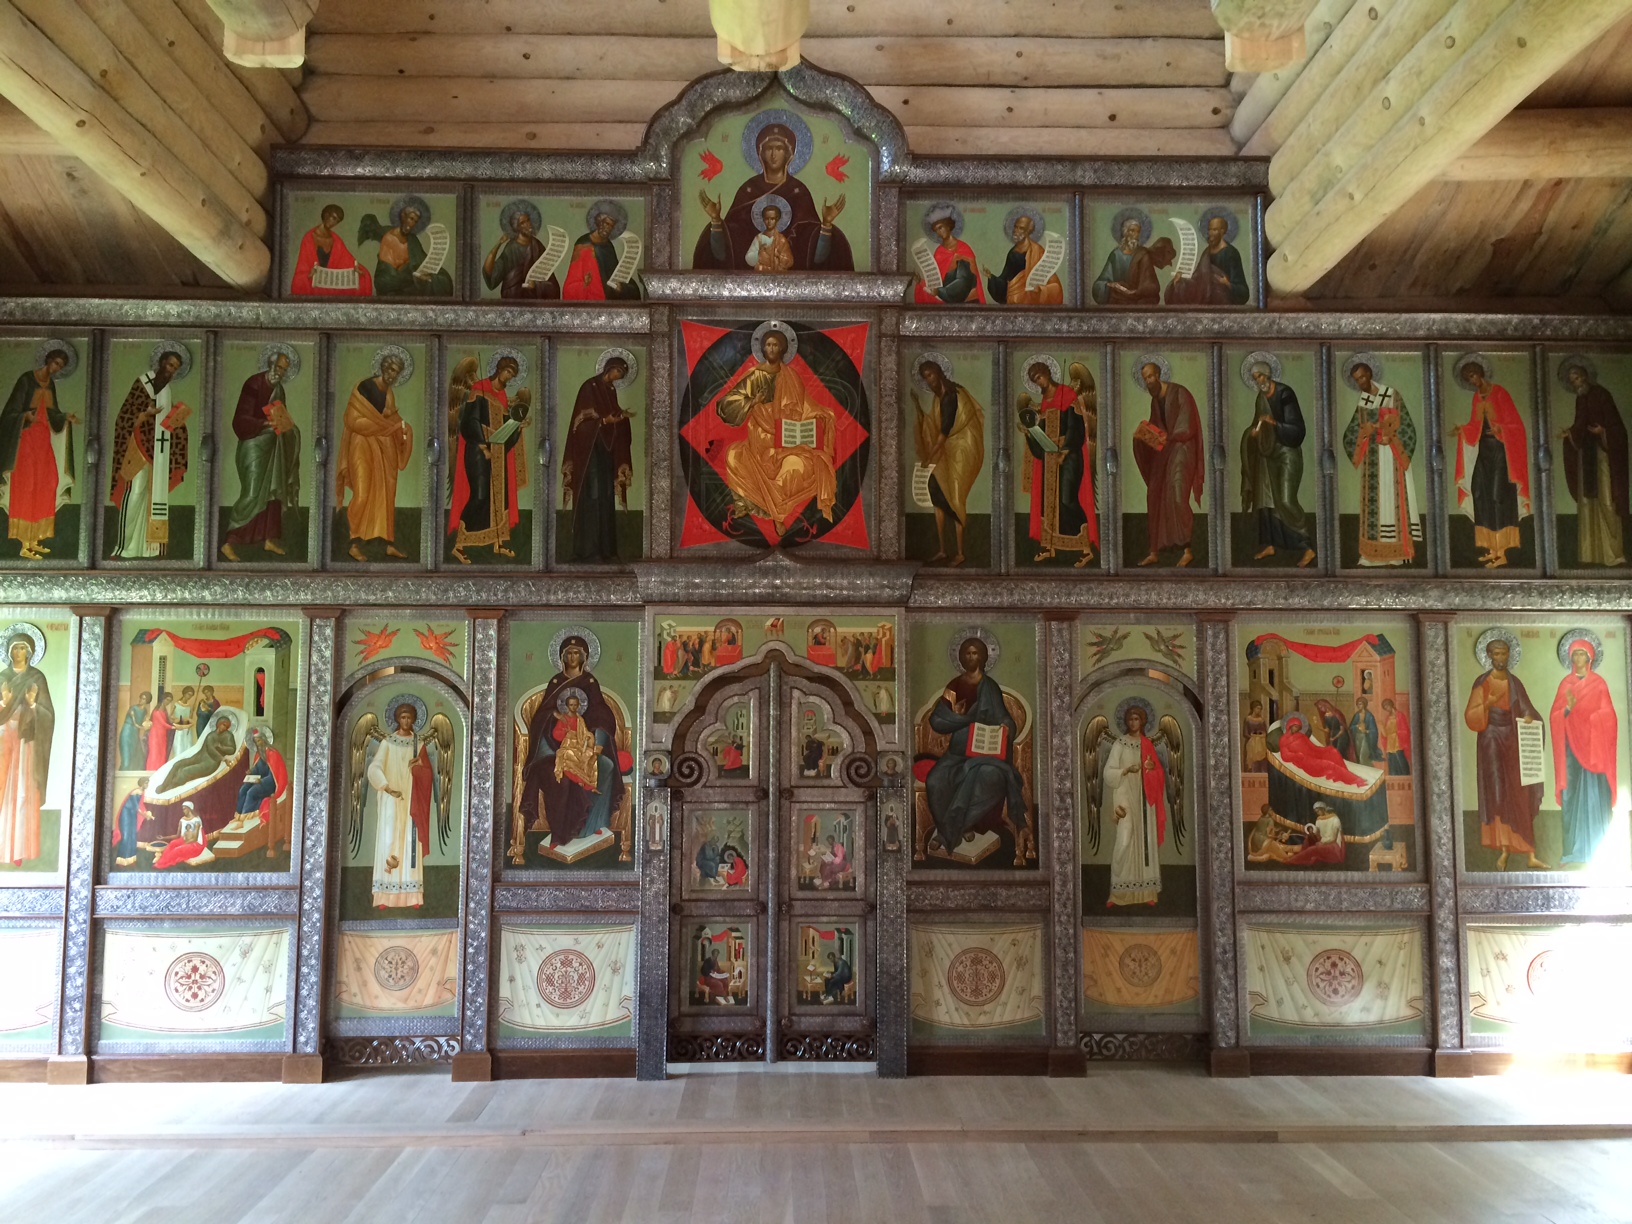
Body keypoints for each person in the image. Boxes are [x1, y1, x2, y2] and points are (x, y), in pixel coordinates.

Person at [922, 637, 1030, 858]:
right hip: (957, 753)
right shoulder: (954, 686)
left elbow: (1005, 718)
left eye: (976, 653)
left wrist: (1006, 727)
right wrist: (961, 719)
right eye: (967, 653)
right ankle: (957, 829)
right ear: (961, 657)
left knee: (988, 778)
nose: (971, 657)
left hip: (986, 752)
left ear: (983, 657)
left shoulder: (990, 687)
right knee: (935, 780)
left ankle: (950, 831)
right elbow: (938, 720)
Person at [715, 328, 837, 523]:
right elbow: (726, 404)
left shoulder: (792, 377)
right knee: (733, 456)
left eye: (775, 345)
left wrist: (822, 416)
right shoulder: (755, 376)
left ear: (783, 349)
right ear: (763, 348)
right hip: (759, 440)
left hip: (787, 440)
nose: (771, 349)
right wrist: (753, 402)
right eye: (768, 345)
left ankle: (778, 511)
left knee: (794, 467)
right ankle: (754, 506)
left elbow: (805, 406)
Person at [694, 119, 851, 271]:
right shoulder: (749, 190)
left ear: (789, 153)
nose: (774, 154)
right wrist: (715, 220)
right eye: (769, 148)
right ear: (760, 153)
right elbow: (727, 250)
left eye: (779, 148)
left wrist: (826, 224)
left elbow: (814, 254)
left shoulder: (799, 191)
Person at [519, 634, 626, 849]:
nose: (573, 656)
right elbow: (541, 717)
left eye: (577, 653)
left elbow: (602, 715)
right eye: (569, 652)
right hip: (552, 749)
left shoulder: (590, 682)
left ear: (585, 657)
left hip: (583, 747)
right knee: (562, 780)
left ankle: (591, 824)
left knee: (606, 766)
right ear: (562, 656)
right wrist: (554, 717)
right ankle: (563, 832)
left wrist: (596, 743)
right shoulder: (556, 683)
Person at [1464, 635, 1548, 870]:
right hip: (1490, 738)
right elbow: (1471, 717)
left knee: (1522, 793)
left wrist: (1529, 716)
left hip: (1514, 740)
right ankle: (1503, 852)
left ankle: (1530, 854)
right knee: (1497, 792)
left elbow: (1526, 708)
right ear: (1489, 655)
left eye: (1504, 653)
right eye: (1497, 653)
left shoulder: (1515, 683)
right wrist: (1488, 703)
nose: (1501, 657)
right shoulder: (1482, 682)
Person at [109, 348, 190, 559]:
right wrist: (145, 415)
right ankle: (124, 545)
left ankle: (147, 547)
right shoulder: (142, 383)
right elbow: (124, 418)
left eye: (175, 368)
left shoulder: (166, 391)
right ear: (162, 362)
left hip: (158, 451)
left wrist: (178, 422)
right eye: (170, 365)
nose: (171, 370)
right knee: (135, 493)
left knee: (151, 494)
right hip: (137, 449)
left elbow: (167, 422)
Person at [221, 348, 301, 562]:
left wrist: (289, 428)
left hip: (274, 446)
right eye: (279, 368)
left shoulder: (279, 390)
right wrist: (265, 423)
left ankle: (269, 538)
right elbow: (240, 420)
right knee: (252, 492)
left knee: (273, 493)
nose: (281, 373)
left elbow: (282, 416)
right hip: (254, 445)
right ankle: (230, 541)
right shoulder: (253, 384)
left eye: (284, 370)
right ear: (270, 364)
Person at [448, 355, 528, 564]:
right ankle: (459, 545)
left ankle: (497, 542)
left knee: (499, 499)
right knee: (481, 495)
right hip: (477, 450)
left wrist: (517, 427)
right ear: (499, 369)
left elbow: (503, 431)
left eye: (512, 374)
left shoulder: (502, 396)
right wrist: (483, 445)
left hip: (497, 452)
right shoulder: (480, 388)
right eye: (507, 372)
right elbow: (470, 421)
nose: (509, 377)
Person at [0, 347, 77, 560]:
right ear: (48, 360)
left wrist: (64, 417)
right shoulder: (26, 380)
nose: (56, 368)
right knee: (27, 485)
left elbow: (52, 412)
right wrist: (25, 416)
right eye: (56, 363)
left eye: (60, 366)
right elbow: (9, 413)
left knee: (47, 482)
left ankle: (36, 538)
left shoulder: (50, 384)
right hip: (24, 440)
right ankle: (24, 543)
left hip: (43, 439)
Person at [1343, 360, 1422, 566]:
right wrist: (1364, 432)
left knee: (1393, 502)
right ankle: (1371, 556)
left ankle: (1396, 554)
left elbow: (1407, 428)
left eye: (1362, 377)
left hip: (1393, 459)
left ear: (1369, 374)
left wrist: (1387, 434)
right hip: (1372, 463)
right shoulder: (1363, 402)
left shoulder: (1392, 395)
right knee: (1373, 506)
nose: (1360, 382)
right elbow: (1352, 432)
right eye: (1356, 380)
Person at [1453, 359, 1531, 568]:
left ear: (1480, 374)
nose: (1472, 381)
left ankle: (1502, 551)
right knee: (1479, 493)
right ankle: (1491, 548)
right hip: (1483, 450)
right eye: (1468, 378)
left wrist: (1501, 429)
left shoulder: (1500, 393)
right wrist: (1462, 430)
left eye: (1473, 376)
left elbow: (1516, 425)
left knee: (1498, 496)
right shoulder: (1476, 398)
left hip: (1500, 450)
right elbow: (1474, 425)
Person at [337, 353, 413, 562]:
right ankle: (353, 543)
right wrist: (386, 426)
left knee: (385, 494)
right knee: (362, 493)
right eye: (390, 370)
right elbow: (352, 420)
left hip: (381, 448)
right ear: (382, 367)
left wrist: (403, 429)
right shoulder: (364, 387)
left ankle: (387, 544)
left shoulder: (389, 394)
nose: (391, 375)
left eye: (395, 373)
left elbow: (391, 418)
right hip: (361, 444)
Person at [1019, 360, 1096, 566]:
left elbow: (1076, 428)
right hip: (1049, 458)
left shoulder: (1067, 395)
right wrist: (1029, 432)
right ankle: (1049, 546)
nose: (1039, 381)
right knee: (1048, 503)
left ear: (1048, 373)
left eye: (1040, 376)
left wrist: (1065, 452)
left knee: (1066, 500)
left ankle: (1086, 548)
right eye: (1035, 380)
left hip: (1069, 456)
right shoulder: (1043, 402)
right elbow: (1041, 439)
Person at [1550, 636, 1619, 866]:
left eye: (1583, 654)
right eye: (1575, 654)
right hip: (1571, 748)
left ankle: (1601, 850)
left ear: (1590, 657)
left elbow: (1609, 716)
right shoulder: (1565, 685)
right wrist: (1568, 709)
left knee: (1595, 795)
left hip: (1594, 750)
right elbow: (1555, 716)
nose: (1579, 658)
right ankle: (1572, 851)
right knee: (1571, 795)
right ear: (1570, 658)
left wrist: (1593, 719)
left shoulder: (1598, 683)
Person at [1239, 360, 1314, 566]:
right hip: (1268, 453)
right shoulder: (1260, 398)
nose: (1259, 381)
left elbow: (1297, 429)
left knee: (1287, 499)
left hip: (1287, 452)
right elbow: (1258, 424)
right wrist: (1254, 432)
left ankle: (1307, 547)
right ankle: (1270, 544)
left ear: (1269, 374)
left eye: (1261, 376)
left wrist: (1276, 424)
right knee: (1266, 500)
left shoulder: (1285, 393)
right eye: (1255, 379)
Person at [912, 357, 985, 567]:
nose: (929, 381)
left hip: (962, 449)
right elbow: (934, 426)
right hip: (947, 449)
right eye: (925, 378)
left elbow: (943, 433)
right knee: (936, 490)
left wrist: (929, 458)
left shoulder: (951, 396)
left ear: (939, 373)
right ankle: (943, 549)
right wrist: (918, 408)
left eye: (930, 375)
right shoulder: (938, 399)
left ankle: (961, 552)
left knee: (954, 497)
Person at [562, 356, 635, 562]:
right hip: (590, 454)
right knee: (592, 496)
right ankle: (588, 550)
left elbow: (611, 416)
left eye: (620, 375)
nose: (617, 377)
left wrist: (621, 418)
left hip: (605, 453)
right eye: (617, 372)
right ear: (608, 368)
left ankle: (606, 550)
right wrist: (604, 420)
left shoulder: (611, 391)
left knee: (605, 497)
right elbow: (580, 424)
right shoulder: (589, 387)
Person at [1132, 360, 1204, 567]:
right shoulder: (1155, 401)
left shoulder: (1180, 393)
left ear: (1159, 374)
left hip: (1183, 448)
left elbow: (1187, 424)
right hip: (1166, 450)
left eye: (1151, 376)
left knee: (1178, 492)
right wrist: (1144, 436)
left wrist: (1167, 437)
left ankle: (1187, 549)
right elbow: (1157, 427)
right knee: (1154, 493)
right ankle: (1154, 551)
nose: (1148, 381)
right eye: (1145, 379)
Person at [1558, 362, 1628, 566]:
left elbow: (1617, 427)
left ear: (1586, 376)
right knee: (1589, 502)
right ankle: (1592, 554)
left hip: (1603, 453)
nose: (1576, 383)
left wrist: (1604, 432)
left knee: (1607, 500)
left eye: (1578, 378)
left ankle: (1614, 554)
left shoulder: (1602, 394)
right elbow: (1580, 425)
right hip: (1586, 455)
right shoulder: (1580, 400)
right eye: (1572, 381)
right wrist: (1569, 434)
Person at [368, 703, 435, 907]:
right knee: (389, 841)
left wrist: (419, 767)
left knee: (410, 843)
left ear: (414, 719)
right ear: (397, 719)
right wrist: (386, 787)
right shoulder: (388, 742)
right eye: (402, 717)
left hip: (411, 801)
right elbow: (375, 766)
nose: (406, 721)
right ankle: (383, 897)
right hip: (391, 799)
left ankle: (413, 896)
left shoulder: (419, 743)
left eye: (409, 717)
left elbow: (428, 773)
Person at [1100, 702, 1166, 906]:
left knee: (1145, 842)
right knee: (1124, 841)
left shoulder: (1147, 744)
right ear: (1126, 721)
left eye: (1137, 719)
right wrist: (1126, 770)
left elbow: (1159, 774)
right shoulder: (1120, 743)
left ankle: (1147, 893)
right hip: (1125, 797)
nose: (1133, 722)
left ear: (1143, 721)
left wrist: (1151, 768)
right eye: (1130, 719)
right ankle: (1118, 894)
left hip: (1145, 800)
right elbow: (1108, 773)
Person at [0, 633, 53, 866]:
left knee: (23, 792)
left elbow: (48, 715)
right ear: (9, 652)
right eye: (15, 648)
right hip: (3, 742)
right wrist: (3, 702)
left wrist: (31, 704)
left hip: (26, 743)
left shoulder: (37, 678)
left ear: (30, 652)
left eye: (23, 648)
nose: (18, 652)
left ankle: (19, 848)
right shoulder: (2, 678)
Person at [357, 199, 453, 297]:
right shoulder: (389, 239)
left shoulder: (412, 240)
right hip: (395, 293)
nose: (412, 224)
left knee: (443, 279)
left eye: (415, 221)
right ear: (403, 216)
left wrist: (430, 277)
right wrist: (412, 277)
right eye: (411, 218)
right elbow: (383, 281)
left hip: (412, 287)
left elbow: (423, 261)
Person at [562, 202, 644, 300]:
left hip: (608, 299)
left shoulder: (608, 245)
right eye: (607, 223)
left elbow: (614, 274)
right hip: (593, 301)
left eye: (611, 226)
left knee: (633, 289)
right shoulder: (583, 244)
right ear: (599, 221)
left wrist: (621, 288)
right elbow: (570, 286)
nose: (608, 228)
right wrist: (584, 284)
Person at [1165, 212, 1250, 305]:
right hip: (1206, 297)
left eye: (1214, 230)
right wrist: (1181, 280)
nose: (1210, 233)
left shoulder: (1231, 253)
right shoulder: (1207, 252)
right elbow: (1197, 279)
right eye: (1209, 230)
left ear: (1222, 231)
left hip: (1222, 301)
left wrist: (1227, 284)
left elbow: (1242, 290)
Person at [290, 204, 372, 296]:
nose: (334, 223)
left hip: (331, 283)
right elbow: (302, 267)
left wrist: (355, 268)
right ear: (326, 215)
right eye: (333, 218)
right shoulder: (309, 238)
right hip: (315, 282)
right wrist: (309, 274)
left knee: (362, 277)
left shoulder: (336, 240)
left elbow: (347, 261)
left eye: (337, 221)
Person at [482, 201, 558, 300]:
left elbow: (550, 280)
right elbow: (492, 273)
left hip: (534, 299)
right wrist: (499, 243)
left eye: (528, 220)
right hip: (513, 298)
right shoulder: (511, 248)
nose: (528, 225)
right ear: (516, 227)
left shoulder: (537, 246)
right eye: (523, 223)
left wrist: (536, 285)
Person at [985, 209, 1063, 305]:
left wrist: (1041, 289)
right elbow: (1006, 278)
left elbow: (1052, 281)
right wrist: (991, 278)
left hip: (1030, 299)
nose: (1016, 231)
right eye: (1015, 227)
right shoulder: (1012, 252)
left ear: (1028, 231)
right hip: (1013, 300)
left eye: (1021, 228)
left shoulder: (1037, 251)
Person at [1091, 214, 1173, 306]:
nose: (1135, 235)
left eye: (1138, 232)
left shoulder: (1143, 254)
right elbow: (1102, 281)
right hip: (1118, 298)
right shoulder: (1115, 254)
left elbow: (1151, 284)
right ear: (1125, 232)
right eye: (1132, 231)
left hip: (1137, 298)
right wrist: (1109, 285)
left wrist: (1135, 292)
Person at [913, 205, 985, 304]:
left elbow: (964, 282)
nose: (939, 232)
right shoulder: (939, 252)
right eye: (936, 230)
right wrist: (921, 282)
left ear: (948, 225)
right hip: (946, 300)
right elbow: (936, 280)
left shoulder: (964, 249)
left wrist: (940, 292)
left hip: (966, 302)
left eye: (940, 227)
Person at [1278, 713, 1365, 786]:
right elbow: (1285, 756)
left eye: (1298, 727)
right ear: (1290, 726)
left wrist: (1325, 750)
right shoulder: (1284, 739)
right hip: (1306, 762)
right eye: (1295, 727)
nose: (1297, 729)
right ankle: (1355, 780)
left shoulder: (1301, 736)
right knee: (1329, 765)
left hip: (1314, 755)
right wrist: (1297, 756)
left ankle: (1344, 776)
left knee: (1333, 752)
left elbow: (1313, 748)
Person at [161, 714, 235, 792]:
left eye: (226, 726)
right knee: (177, 764)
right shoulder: (211, 735)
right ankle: (163, 786)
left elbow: (232, 749)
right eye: (223, 725)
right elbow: (210, 748)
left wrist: (221, 748)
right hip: (200, 757)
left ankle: (168, 790)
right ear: (219, 724)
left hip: (210, 763)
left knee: (184, 771)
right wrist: (222, 757)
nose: (224, 728)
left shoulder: (228, 736)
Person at [550, 689, 602, 791]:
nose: (573, 707)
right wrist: (565, 732)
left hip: (580, 745)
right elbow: (556, 734)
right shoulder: (563, 719)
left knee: (591, 755)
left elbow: (584, 732)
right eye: (571, 705)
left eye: (575, 705)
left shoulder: (580, 719)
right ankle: (580, 781)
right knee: (570, 756)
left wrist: (587, 736)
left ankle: (590, 785)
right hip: (568, 745)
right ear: (567, 705)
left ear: (578, 705)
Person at [152, 801, 213, 869]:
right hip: (185, 840)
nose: (183, 811)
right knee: (172, 843)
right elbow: (177, 836)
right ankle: (162, 861)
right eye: (183, 809)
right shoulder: (182, 820)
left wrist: (184, 844)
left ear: (189, 809)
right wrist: (163, 837)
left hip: (196, 845)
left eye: (185, 809)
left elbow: (195, 838)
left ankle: (162, 864)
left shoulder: (196, 820)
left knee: (177, 850)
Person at [748, 200, 794, 274]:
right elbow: (749, 259)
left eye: (772, 219)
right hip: (760, 275)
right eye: (766, 219)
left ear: (777, 219)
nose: (769, 222)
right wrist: (758, 252)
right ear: (763, 219)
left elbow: (789, 261)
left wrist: (777, 255)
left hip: (777, 277)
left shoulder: (781, 240)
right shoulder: (759, 239)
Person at [119, 691, 152, 772]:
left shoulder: (144, 711)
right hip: (127, 732)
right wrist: (143, 727)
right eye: (141, 698)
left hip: (135, 734)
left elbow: (144, 722)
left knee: (136, 757)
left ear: (147, 701)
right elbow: (136, 724)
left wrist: (147, 725)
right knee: (126, 758)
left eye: (143, 699)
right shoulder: (133, 708)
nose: (141, 700)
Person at [145, 693, 177, 771]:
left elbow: (168, 721)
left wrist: (173, 721)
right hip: (155, 735)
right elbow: (163, 724)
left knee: (162, 753)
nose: (168, 702)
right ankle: (151, 770)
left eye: (170, 701)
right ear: (163, 699)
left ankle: (159, 770)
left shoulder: (164, 710)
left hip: (163, 735)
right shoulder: (157, 711)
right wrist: (174, 727)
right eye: (167, 700)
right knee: (155, 753)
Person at [1381, 697, 1412, 776]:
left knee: (1400, 759)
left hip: (1398, 740)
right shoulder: (1388, 718)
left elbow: (1405, 729)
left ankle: (1405, 776)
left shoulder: (1400, 715)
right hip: (1390, 742)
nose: (1387, 709)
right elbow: (1386, 732)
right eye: (1385, 708)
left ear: (1391, 705)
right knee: (1392, 760)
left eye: (1387, 706)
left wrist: (1397, 733)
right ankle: (1394, 776)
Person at [1349, 697, 1379, 767]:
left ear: (1364, 704)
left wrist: (1366, 731)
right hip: (1357, 737)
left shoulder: (1369, 716)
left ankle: (1369, 771)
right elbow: (1351, 727)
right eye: (1358, 704)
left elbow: (1374, 730)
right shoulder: (1356, 715)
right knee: (1359, 755)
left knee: (1363, 756)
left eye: (1360, 704)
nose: (1359, 706)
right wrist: (1356, 726)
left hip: (1365, 737)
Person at [171, 685, 198, 759]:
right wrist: (179, 719)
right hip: (179, 729)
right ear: (184, 693)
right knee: (179, 748)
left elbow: (190, 719)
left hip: (187, 730)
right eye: (188, 694)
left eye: (191, 695)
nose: (189, 697)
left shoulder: (189, 706)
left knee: (187, 747)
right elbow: (170, 717)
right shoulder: (176, 704)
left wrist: (190, 717)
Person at [1242, 699, 1269, 774]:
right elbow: (1245, 733)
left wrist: (1260, 734)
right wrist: (1253, 736)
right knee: (1251, 763)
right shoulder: (1248, 719)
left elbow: (1265, 732)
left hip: (1261, 744)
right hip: (1251, 744)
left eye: (1260, 709)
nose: (1259, 710)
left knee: (1262, 760)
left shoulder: (1261, 720)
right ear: (1253, 709)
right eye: (1257, 708)